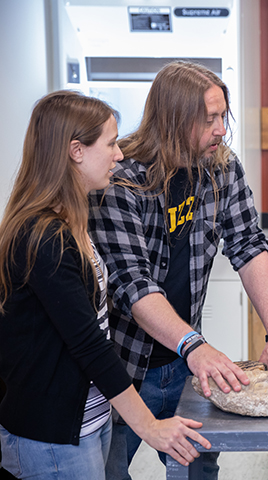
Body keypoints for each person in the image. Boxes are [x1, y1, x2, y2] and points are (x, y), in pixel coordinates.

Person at [87, 61, 268, 480]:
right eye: (208, 119)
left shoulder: (222, 169)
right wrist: (196, 345)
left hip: (184, 364)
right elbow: (133, 283)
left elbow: (249, 246)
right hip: (124, 366)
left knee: (197, 468)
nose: (220, 129)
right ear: (174, 119)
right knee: (109, 470)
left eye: (222, 116)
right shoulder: (120, 178)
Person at [0, 90, 212, 479]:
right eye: (111, 143)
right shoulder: (43, 236)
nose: (119, 154)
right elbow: (90, 346)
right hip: (53, 437)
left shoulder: (73, 224)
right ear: (76, 151)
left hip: (89, 421)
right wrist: (150, 427)